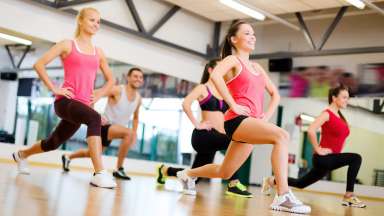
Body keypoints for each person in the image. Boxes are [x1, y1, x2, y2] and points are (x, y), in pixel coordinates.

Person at [174, 20, 311, 214]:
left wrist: (265, 117)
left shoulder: (257, 67)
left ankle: (187, 174)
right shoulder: (233, 60)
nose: (252, 36)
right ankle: (283, 195)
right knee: (282, 136)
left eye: (253, 33)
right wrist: (233, 104)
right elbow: (215, 77)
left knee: (225, 172)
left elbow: (275, 95)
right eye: (247, 33)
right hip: (236, 121)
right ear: (233, 39)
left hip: (250, 122)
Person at [12, 7, 116, 188]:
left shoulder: (98, 52)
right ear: (81, 21)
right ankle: (99, 173)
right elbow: (39, 64)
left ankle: (22, 155)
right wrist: (54, 88)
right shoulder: (67, 45)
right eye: (92, 20)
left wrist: (98, 94)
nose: (96, 24)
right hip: (65, 102)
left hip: (82, 106)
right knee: (95, 119)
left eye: (98, 22)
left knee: (53, 142)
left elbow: (111, 79)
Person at [156, 59, 252, 197]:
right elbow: (186, 103)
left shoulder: (224, 91)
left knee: (196, 175)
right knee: (235, 141)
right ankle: (233, 183)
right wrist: (197, 124)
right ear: (210, 70)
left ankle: (165, 170)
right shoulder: (203, 88)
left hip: (216, 137)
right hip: (204, 135)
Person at [262, 85, 366, 208]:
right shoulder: (327, 114)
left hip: (330, 159)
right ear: (334, 98)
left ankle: (271, 180)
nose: (346, 100)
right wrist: (317, 149)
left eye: (347, 98)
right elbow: (311, 130)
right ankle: (349, 196)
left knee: (300, 183)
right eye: (344, 97)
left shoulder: (340, 118)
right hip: (324, 158)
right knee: (356, 158)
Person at [62, 68, 143, 180]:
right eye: (135, 76)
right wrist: (93, 114)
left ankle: (67, 157)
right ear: (128, 78)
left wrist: (135, 132)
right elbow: (94, 93)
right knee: (128, 134)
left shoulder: (138, 99)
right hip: (105, 126)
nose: (138, 79)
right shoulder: (118, 90)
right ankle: (119, 169)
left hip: (115, 129)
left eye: (140, 77)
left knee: (90, 153)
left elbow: (136, 118)